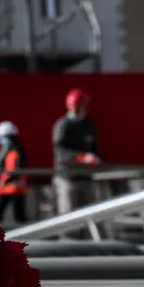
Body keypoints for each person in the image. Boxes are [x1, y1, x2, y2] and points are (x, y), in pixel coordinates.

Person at [52, 88, 101, 216]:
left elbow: (93, 148)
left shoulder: (88, 125)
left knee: (89, 214)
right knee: (68, 215)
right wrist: (81, 158)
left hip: (85, 177)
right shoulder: (63, 126)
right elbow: (61, 153)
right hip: (67, 177)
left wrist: (95, 159)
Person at [0, 121, 28, 225]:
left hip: (13, 188)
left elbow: (16, 170)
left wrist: (4, 181)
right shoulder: (3, 151)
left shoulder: (17, 151)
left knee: (19, 216)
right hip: (4, 188)